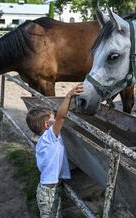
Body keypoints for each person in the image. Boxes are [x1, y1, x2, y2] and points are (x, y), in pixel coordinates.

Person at [26, 83, 83, 218]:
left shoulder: (43, 139)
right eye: (53, 118)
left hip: (51, 188)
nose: (55, 120)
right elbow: (61, 117)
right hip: (48, 193)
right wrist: (69, 96)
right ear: (47, 125)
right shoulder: (49, 137)